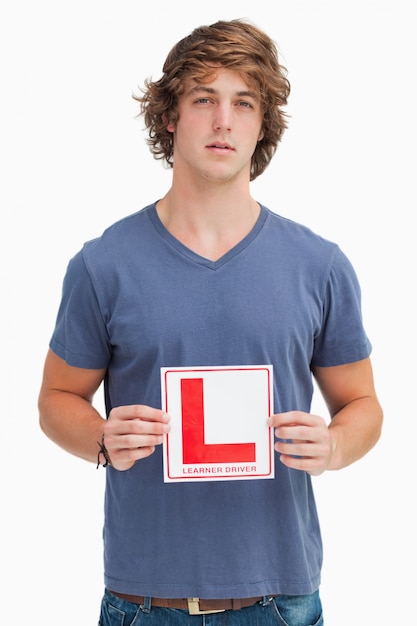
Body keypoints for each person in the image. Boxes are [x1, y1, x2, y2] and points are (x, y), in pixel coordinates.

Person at [38, 18, 383, 626]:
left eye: (243, 103)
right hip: (142, 603)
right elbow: (56, 399)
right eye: (204, 99)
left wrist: (332, 446)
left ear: (261, 125)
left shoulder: (319, 265)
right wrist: (101, 439)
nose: (224, 120)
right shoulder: (103, 264)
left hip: (281, 601)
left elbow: (364, 405)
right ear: (171, 115)